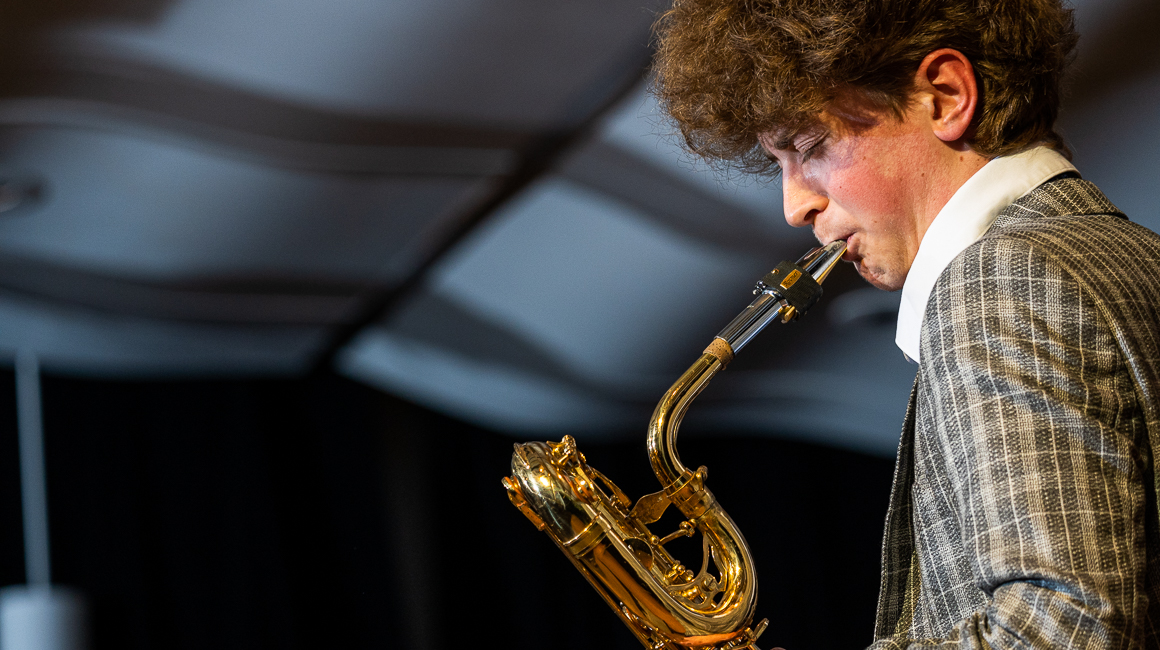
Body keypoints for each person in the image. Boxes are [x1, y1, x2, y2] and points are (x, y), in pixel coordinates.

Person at [652, 0, 1160, 647]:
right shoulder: (1138, 257)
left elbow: (1063, 629)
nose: (794, 205)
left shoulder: (996, 279)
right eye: (778, 163)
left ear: (946, 96)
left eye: (810, 147)